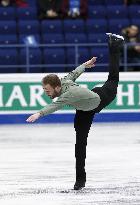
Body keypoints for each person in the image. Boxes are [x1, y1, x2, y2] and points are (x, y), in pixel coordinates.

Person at [26, 33, 124, 190]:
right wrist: (85, 65)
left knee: (113, 79)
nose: (45, 92)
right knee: (80, 145)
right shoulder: (63, 81)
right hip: (83, 108)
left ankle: (115, 44)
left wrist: (39, 113)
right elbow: (73, 73)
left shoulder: (68, 94)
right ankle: (80, 181)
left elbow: (55, 105)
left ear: (56, 87)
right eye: (44, 89)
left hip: (102, 97)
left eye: (47, 89)